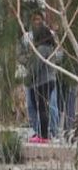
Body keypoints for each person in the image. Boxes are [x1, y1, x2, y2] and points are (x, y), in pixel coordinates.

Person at [21, 11, 57, 143]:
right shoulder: (50, 48)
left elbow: (35, 68)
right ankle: (42, 134)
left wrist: (27, 80)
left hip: (43, 81)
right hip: (50, 80)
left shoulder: (42, 49)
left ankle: (43, 136)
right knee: (43, 108)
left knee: (42, 108)